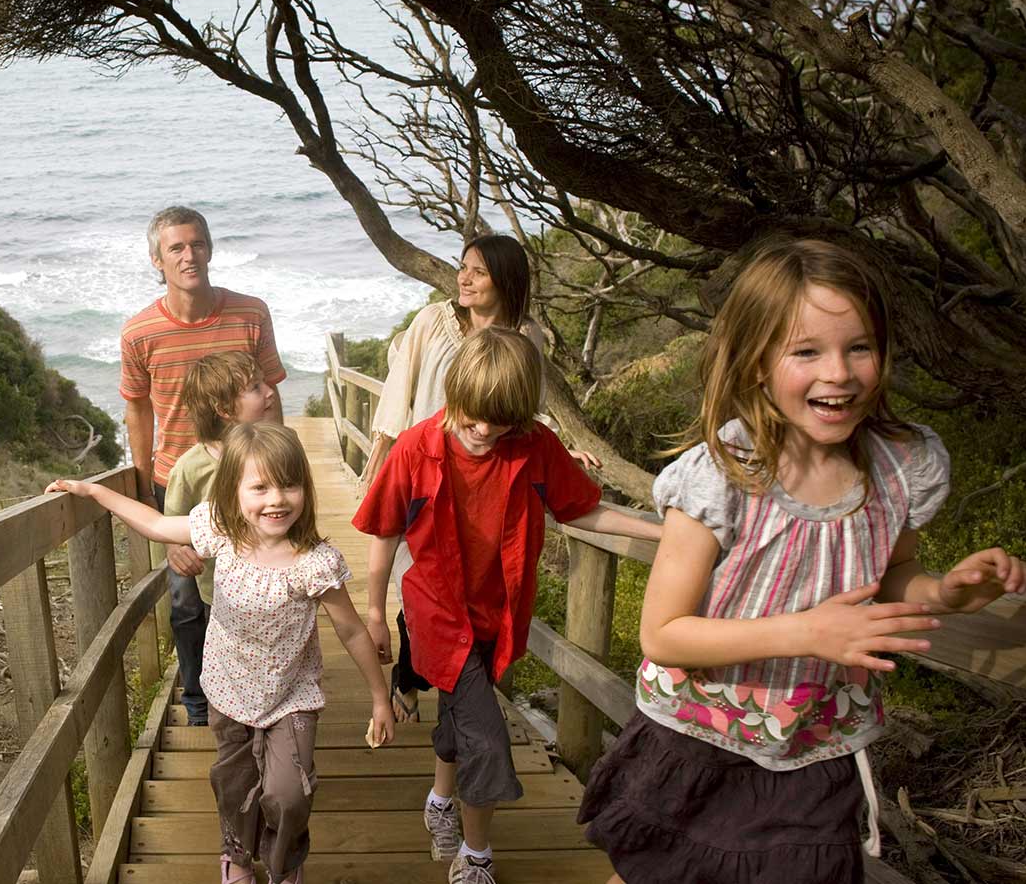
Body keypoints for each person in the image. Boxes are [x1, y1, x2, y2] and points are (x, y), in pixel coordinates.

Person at [576, 237, 1026, 884]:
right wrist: (809, 631)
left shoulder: (900, 471)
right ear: (756, 362)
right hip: (696, 735)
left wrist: (948, 593)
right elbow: (663, 633)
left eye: (859, 347)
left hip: (817, 749)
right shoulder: (721, 477)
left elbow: (895, 576)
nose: (839, 373)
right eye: (807, 351)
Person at [354, 328, 661, 884]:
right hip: (438, 615)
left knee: (459, 714)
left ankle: (441, 803)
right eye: (472, 417)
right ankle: (475, 858)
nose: (483, 431)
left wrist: (662, 534)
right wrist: (375, 614)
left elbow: (580, 510)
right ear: (455, 394)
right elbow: (383, 534)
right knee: (489, 741)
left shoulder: (534, 445)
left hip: (498, 615)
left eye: (499, 421)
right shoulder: (415, 449)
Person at [49, 422, 397, 884]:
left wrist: (379, 698)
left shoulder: (316, 561)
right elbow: (155, 525)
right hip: (228, 686)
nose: (276, 499)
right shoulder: (220, 530)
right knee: (234, 785)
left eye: (289, 484)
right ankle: (236, 856)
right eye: (260, 487)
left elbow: (352, 631)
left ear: (304, 489)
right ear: (233, 491)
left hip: (291, 693)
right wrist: (93, 492)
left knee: (288, 794)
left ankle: (283, 860)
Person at [360, 234, 599, 723]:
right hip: (424, 466)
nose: (463, 279)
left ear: (505, 281)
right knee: (419, 584)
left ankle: (445, 695)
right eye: (462, 267)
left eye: (477, 272)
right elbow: (399, 386)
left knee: (459, 591)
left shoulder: (525, 336)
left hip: (484, 471)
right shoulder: (433, 320)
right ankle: (411, 675)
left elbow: (522, 404)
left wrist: (553, 443)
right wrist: (384, 450)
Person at [121, 205, 287, 726]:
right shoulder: (139, 333)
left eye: (197, 244)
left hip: (251, 483)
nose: (188, 255)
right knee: (187, 602)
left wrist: (283, 464)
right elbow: (137, 407)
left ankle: (261, 691)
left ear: (210, 249)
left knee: (260, 593)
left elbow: (272, 395)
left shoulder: (250, 313)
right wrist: (145, 480)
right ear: (157, 259)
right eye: (176, 248)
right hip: (180, 482)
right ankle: (197, 699)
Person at [162, 351, 278, 641]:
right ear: (224, 408)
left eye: (264, 383)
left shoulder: (274, 452)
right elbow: (171, 526)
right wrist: (176, 549)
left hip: (278, 584)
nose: (269, 391)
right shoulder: (190, 468)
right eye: (255, 387)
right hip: (221, 595)